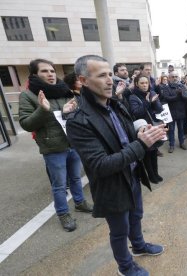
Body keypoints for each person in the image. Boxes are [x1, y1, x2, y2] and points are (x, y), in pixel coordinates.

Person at [66, 55, 166, 276]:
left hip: (131, 175)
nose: (110, 80)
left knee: (136, 216)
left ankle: (139, 246)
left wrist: (143, 133)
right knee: (120, 231)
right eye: (102, 75)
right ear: (83, 80)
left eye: (110, 74)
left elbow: (128, 135)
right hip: (111, 185)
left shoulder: (116, 105)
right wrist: (141, 144)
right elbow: (100, 165)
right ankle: (125, 267)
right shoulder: (78, 120)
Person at [19, 59, 93, 232]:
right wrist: (43, 110)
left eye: (52, 71)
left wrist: (72, 113)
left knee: (75, 178)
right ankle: (63, 214)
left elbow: (77, 116)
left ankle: (80, 202)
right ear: (35, 75)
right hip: (52, 148)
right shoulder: (28, 95)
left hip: (72, 143)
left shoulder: (65, 91)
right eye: (45, 71)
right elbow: (26, 123)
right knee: (59, 184)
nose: (50, 74)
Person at [129, 74, 164, 184]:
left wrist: (154, 102)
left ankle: (156, 173)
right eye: (142, 83)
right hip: (143, 128)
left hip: (153, 125)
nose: (145, 85)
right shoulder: (133, 97)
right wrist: (148, 102)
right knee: (147, 153)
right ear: (136, 84)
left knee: (154, 151)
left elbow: (160, 110)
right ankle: (151, 176)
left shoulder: (152, 93)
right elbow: (137, 112)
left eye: (146, 83)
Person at [163, 71, 187, 153]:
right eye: (172, 76)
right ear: (169, 78)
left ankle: (181, 143)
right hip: (171, 112)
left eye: (176, 76)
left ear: (178, 77)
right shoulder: (167, 88)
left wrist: (181, 95)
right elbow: (167, 98)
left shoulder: (182, 86)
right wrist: (177, 96)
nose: (174, 78)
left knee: (181, 129)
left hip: (181, 111)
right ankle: (171, 145)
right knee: (171, 130)